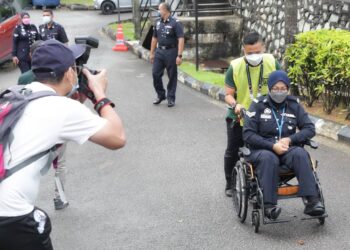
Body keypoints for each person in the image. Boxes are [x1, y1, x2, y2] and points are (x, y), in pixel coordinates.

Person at [0, 40, 126, 250]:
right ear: (69, 73)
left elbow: (57, 123)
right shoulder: (62, 109)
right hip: (11, 217)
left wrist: (82, 96)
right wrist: (99, 93)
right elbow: (117, 137)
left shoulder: (17, 93)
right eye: (76, 68)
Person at [243, 70, 325, 220]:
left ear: (288, 89)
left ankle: (312, 202)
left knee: (300, 153)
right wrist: (272, 146)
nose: (279, 92)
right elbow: (248, 134)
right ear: (269, 89)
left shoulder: (294, 105)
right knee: (269, 158)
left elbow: (309, 128)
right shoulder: (258, 105)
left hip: (287, 149)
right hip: (262, 150)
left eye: (283, 89)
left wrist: (290, 140)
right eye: (276, 88)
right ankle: (269, 206)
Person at [17, 41, 86, 210]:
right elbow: (75, 99)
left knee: (30, 165)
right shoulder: (60, 76)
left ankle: (24, 202)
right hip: (57, 127)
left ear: (31, 56)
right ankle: (59, 198)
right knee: (59, 163)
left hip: (31, 128)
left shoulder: (24, 77)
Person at [223, 31, 280, 197]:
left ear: (263, 47)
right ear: (243, 50)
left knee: (262, 150)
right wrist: (235, 104)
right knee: (233, 151)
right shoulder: (235, 66)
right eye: (249, 53)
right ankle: (229, 183)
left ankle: (260, 182)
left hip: (265, 117)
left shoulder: (271, 62)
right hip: (240, 116)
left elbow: (281, 84)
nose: (254, 55)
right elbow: (228, 94)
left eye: (257, 52)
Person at [150, 2, 184, 107]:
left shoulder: (175, 23)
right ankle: (161, 95)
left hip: (171, 52)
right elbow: (154, 38)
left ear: (165, 10)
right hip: (159, 51)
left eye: (159, 9)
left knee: (172, 76)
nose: (158, 11)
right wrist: (152, 52)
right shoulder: (158, 22)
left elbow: (181, 39)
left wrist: (179, 55)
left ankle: (171, 98)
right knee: (155, 74)